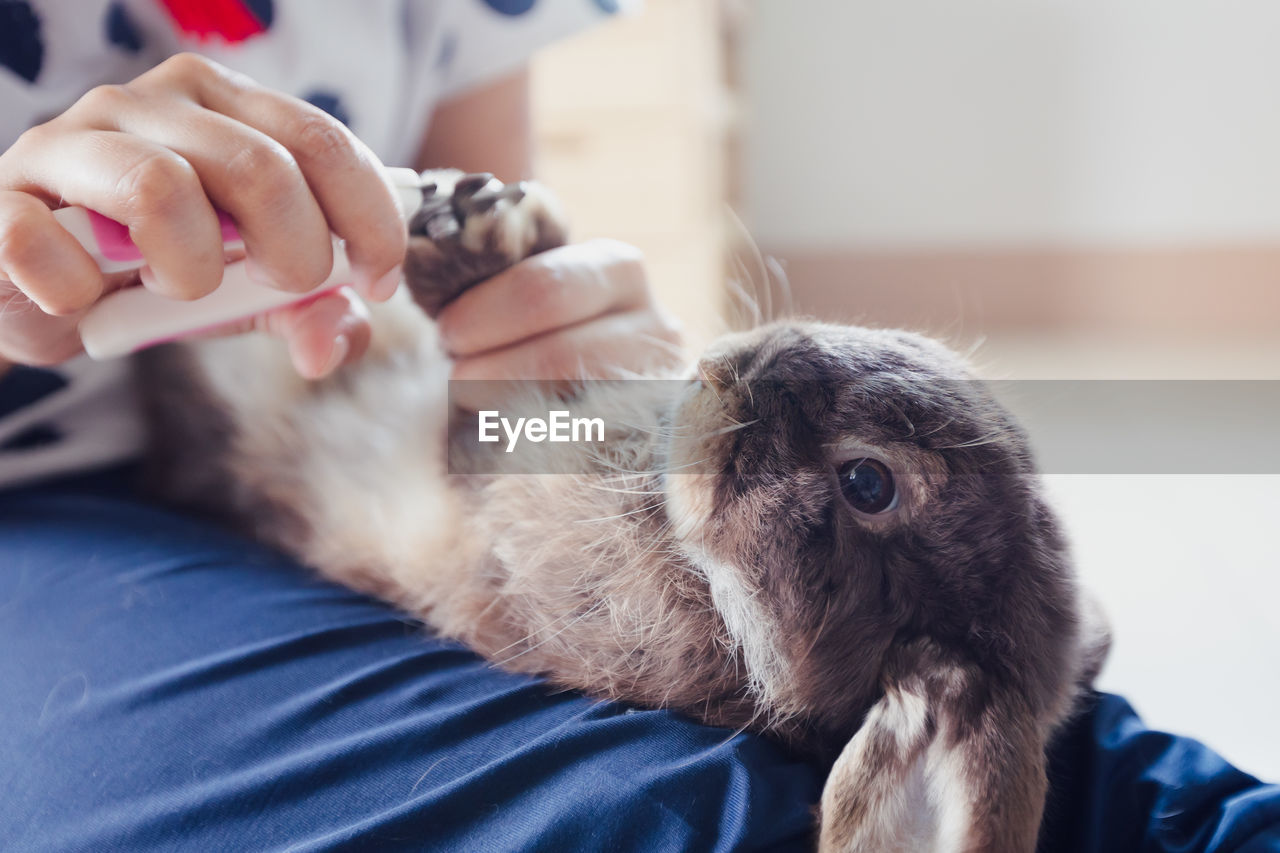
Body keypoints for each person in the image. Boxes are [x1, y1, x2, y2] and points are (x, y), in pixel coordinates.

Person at [0, 2, 1277, 851]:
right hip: (46, 511)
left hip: (377, 424)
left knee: (1107, 769)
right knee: (673, 816)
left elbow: (484, 307)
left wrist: (545, 323)